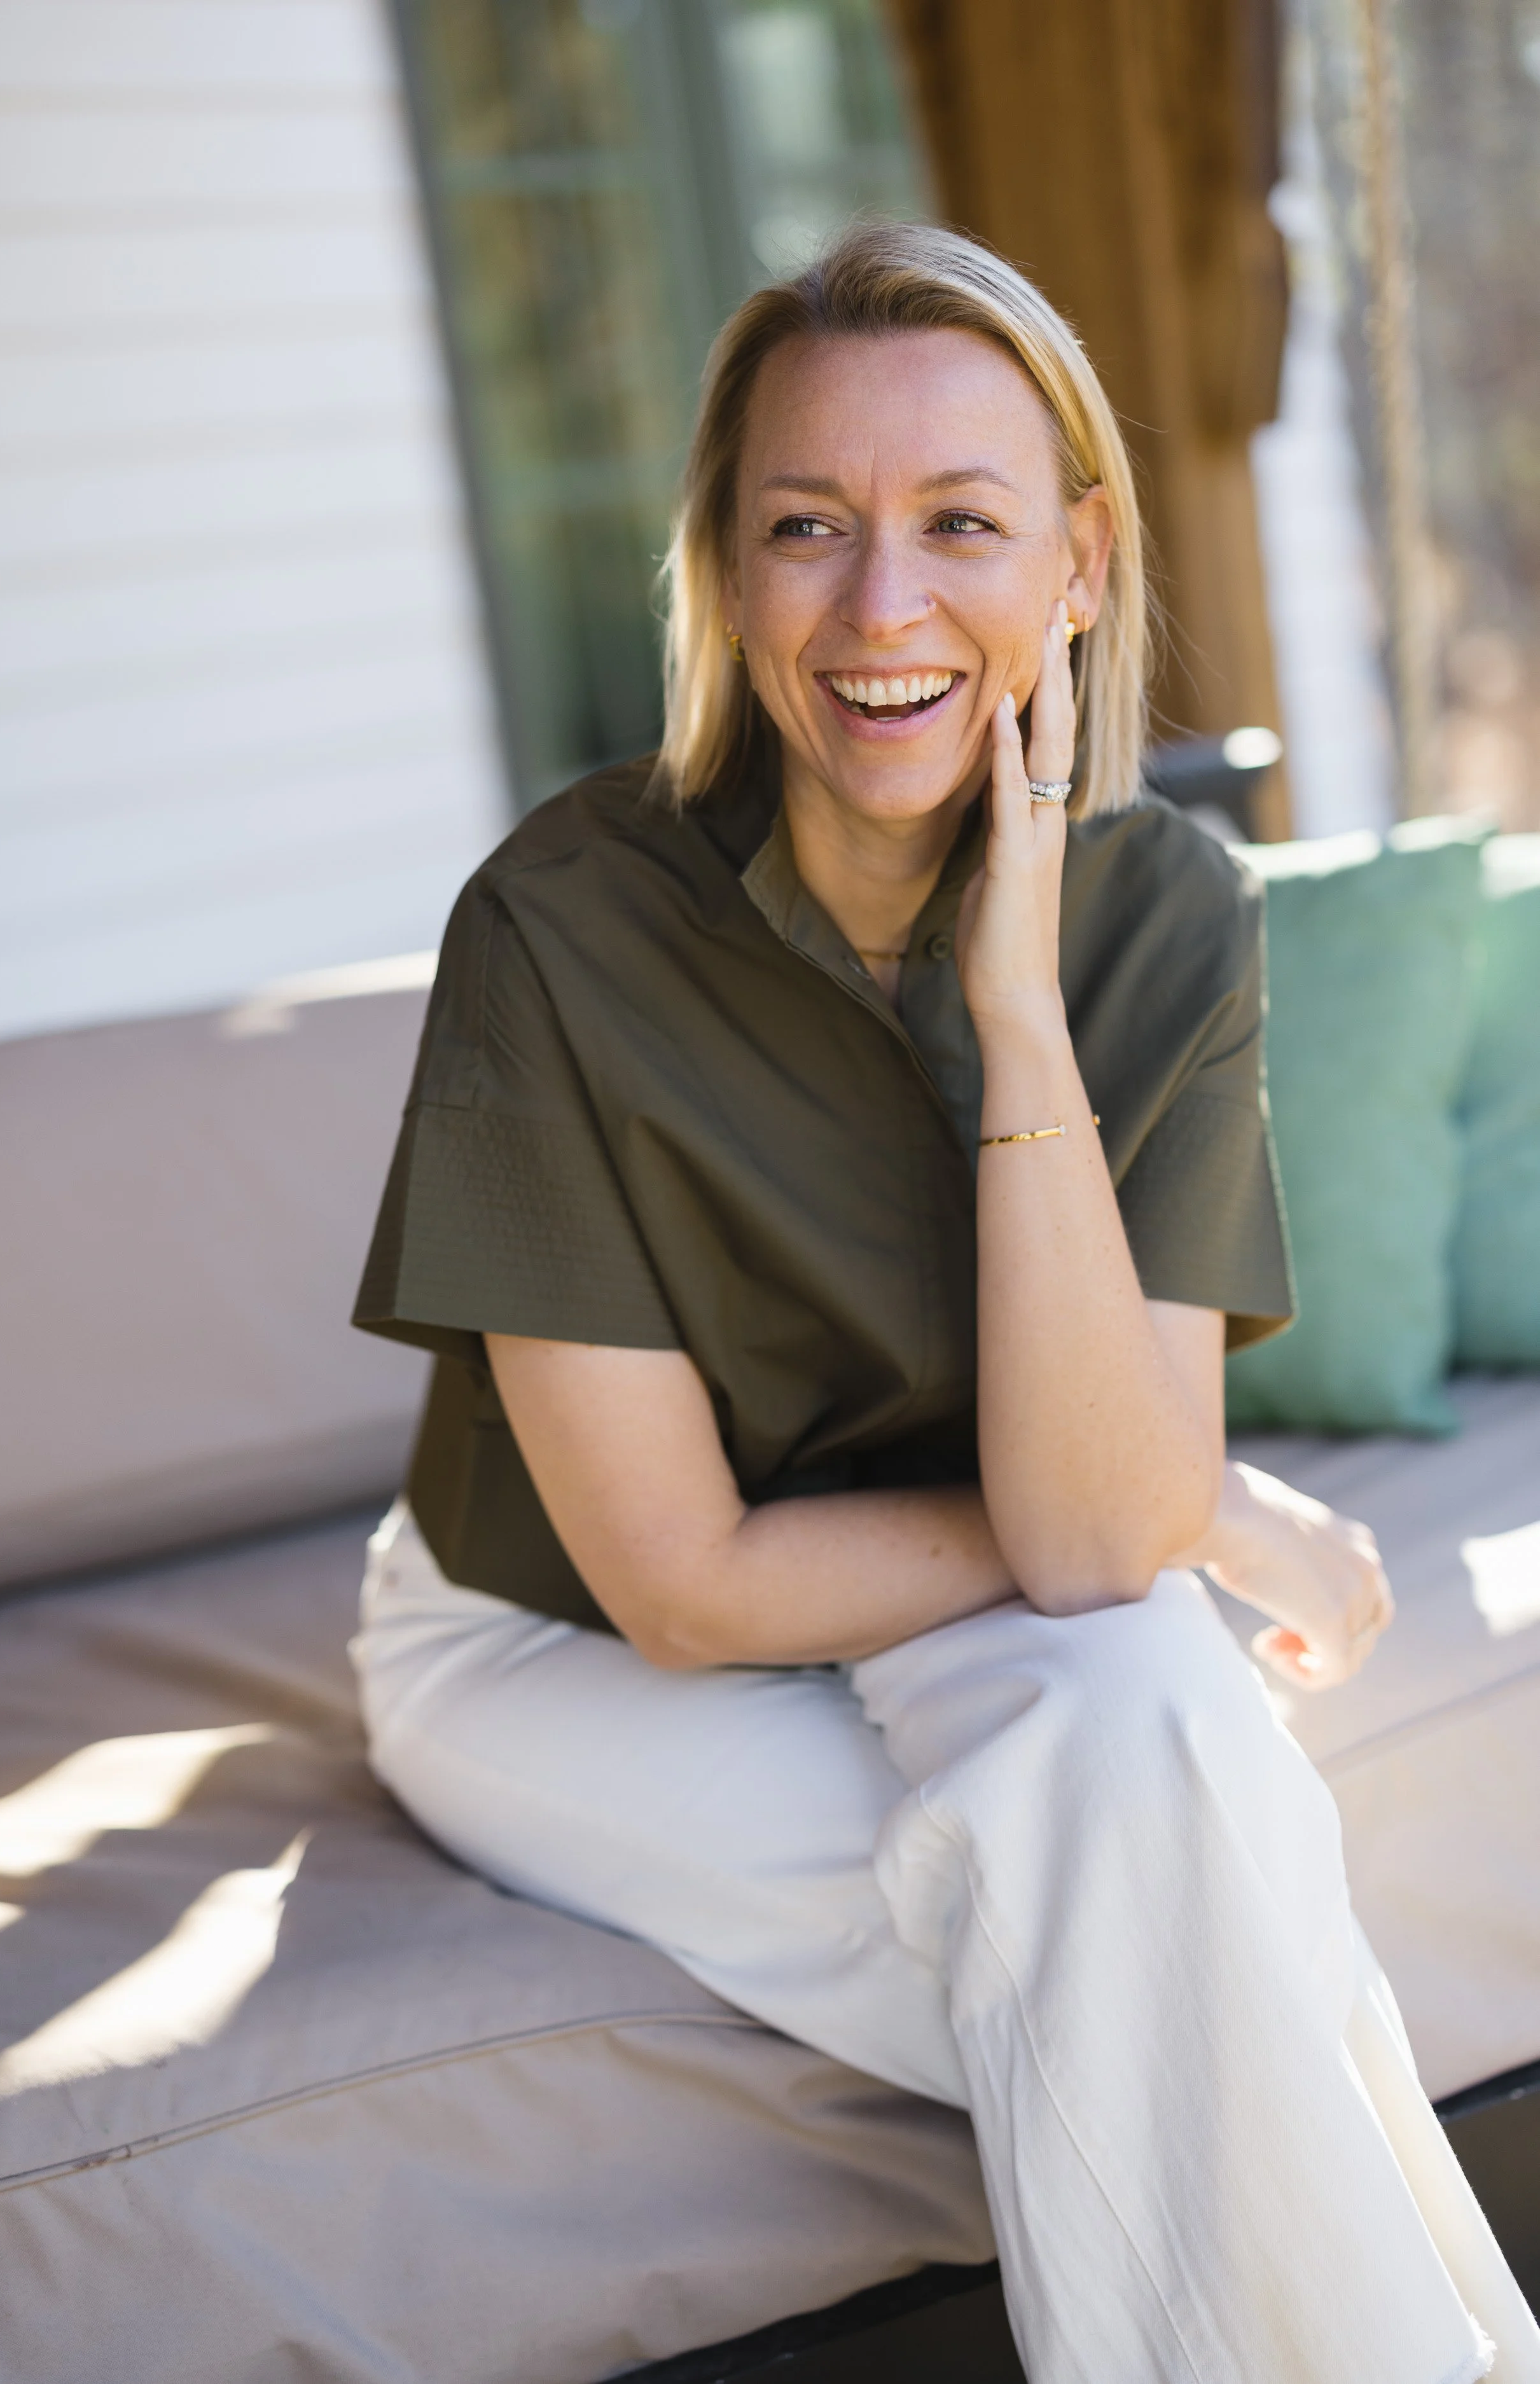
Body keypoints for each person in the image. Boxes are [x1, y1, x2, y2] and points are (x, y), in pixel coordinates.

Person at [350, 221, 1536, 2381]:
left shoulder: (1155, 911)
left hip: (977, 1588)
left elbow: (1092, 1557)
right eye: (806, 527)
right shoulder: (558, 926)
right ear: (726, 561)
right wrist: (1208, 1509)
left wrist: (1018, 1008)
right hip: (560, 1639)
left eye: (960, 526)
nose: (880, 608)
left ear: (1076, 562)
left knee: (1149, 1728)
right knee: (1173, 1886)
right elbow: (693, 1585)